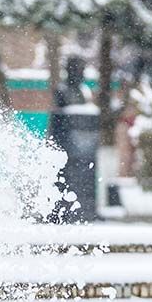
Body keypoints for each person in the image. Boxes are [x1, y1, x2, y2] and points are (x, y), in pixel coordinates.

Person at [48, 56, 99, 222]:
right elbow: (58, 118)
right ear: (69, 71)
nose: (81, 73)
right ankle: (62, 211)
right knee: (64, 180)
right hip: (65, 146)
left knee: (83, 179)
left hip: (82, 149)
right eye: (78, 69)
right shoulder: (62, 90)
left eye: (82, 70)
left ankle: (85, 210)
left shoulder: (84, 92)